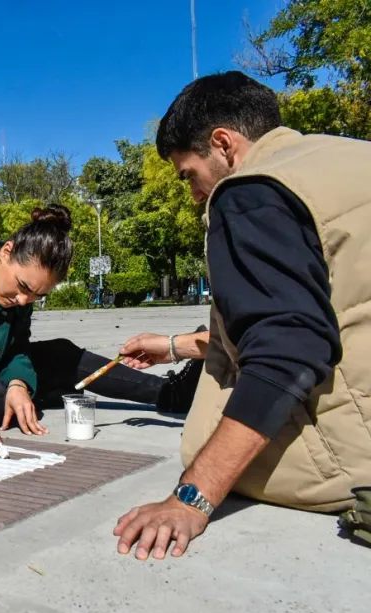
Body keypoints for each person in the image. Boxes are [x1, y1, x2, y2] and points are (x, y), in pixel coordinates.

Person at [113, 71, 371, 560]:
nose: (195, 196)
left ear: (223, 144)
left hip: (346, 461)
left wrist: (192, 496)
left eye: (189, 175)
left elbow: (288, 349)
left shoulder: (250, 191)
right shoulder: (348, 158)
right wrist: (174, 346)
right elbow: (337, 312)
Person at [0, 206, 198, 435]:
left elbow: (17, 349)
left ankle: (168, 393)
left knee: (63, 355)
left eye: (36, 296)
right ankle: (41, 393)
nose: (23, 300)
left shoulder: (22, 297)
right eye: (22, 287)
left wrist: (18, 383)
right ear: (6, 252)